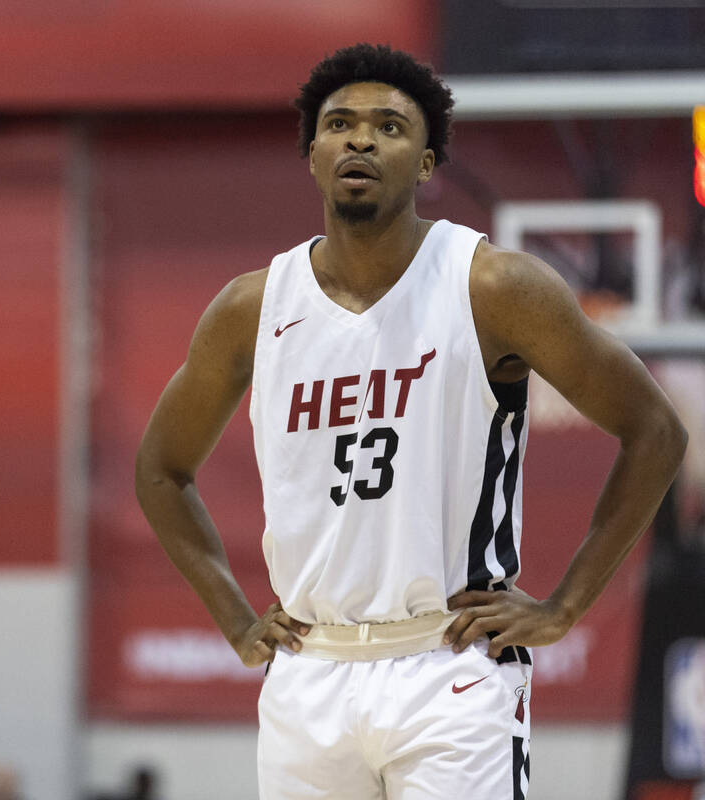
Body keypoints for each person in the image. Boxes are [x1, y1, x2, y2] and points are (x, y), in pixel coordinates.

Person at [134, 44, 686, 799]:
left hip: (447, 668)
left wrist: (564, 607)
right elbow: (161, 470)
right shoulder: (251, 309)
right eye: (339, 124)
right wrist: (233, 618)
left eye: (389, 127)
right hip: (308, 673)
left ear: (426, 165)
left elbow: (656, 431)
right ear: (313, 155)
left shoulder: (493, 285)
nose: (360, 139)